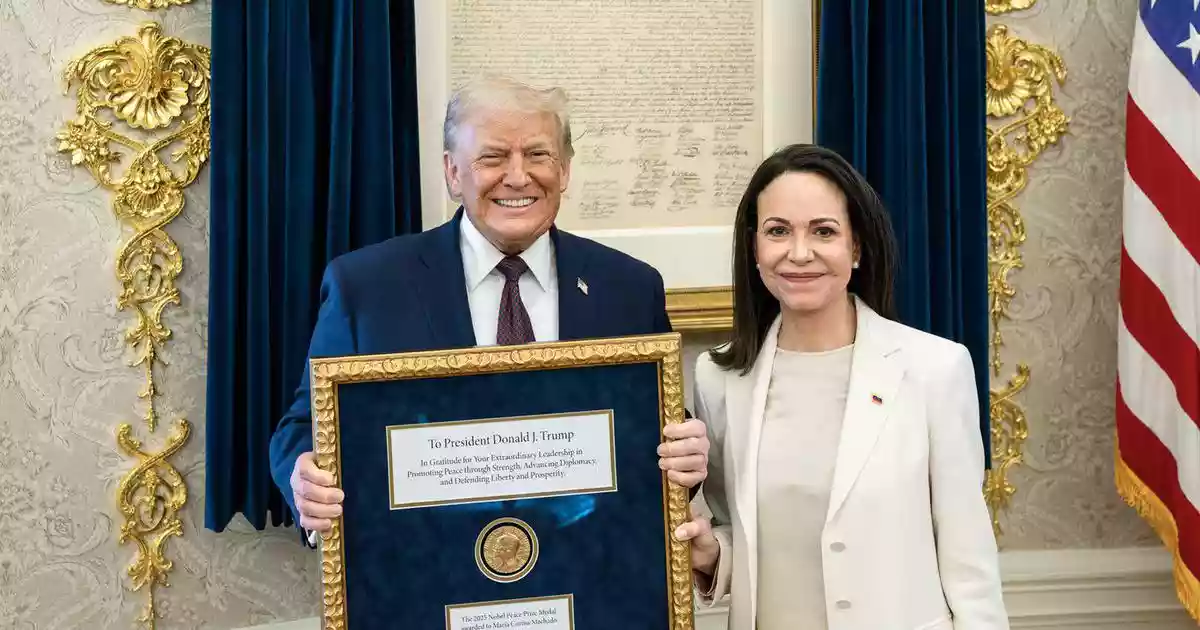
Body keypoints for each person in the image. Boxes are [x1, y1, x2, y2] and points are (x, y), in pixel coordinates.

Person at [268, 76, 710, 540]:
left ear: (564, 170)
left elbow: (658, 434)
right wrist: (305, 479)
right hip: (423, 563)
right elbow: (306, 425)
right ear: (452, 172)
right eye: (493, 157)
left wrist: (686, 456)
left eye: (538, 155)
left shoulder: (629, 288)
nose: (518, 177)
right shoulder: (366, 288)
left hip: (589, 561)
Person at [673, 144, 1009, 629]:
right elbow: (743, 531)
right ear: (754, 248)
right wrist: (711, 554)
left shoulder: (935, 369)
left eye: (824, 231)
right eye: (778, 231)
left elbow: (970, 564)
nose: (799, 253)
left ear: (856, 248)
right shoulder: (719, 377)